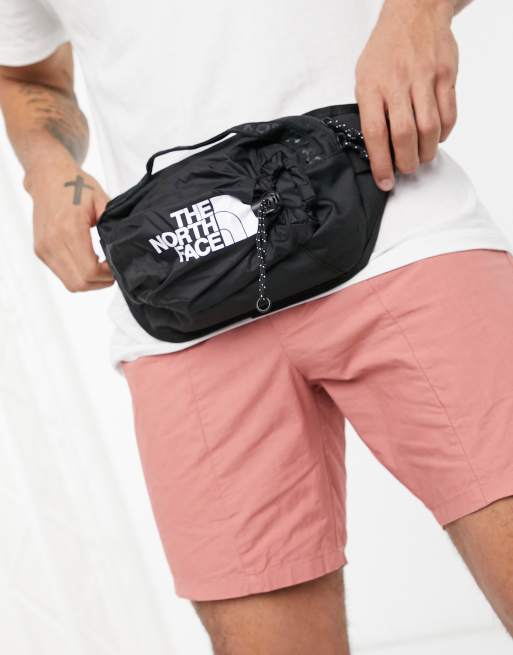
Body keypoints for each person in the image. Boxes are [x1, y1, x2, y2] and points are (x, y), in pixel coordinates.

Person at [1, 0, 512, 652]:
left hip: (396, 221)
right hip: (185, 300)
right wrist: (49, 171)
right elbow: (27, 74)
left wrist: (417, 16)